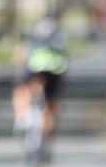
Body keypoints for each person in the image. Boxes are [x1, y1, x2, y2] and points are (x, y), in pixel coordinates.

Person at [11, 17, 68, 149]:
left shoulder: (32, 41)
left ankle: (22, 116)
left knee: (22, 87)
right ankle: (46, 130)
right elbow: (64, 63)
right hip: (54, 73)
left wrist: (18, 69)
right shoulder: (60, 41)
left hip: (36, 71)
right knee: (52, 100)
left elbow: (20, 58)